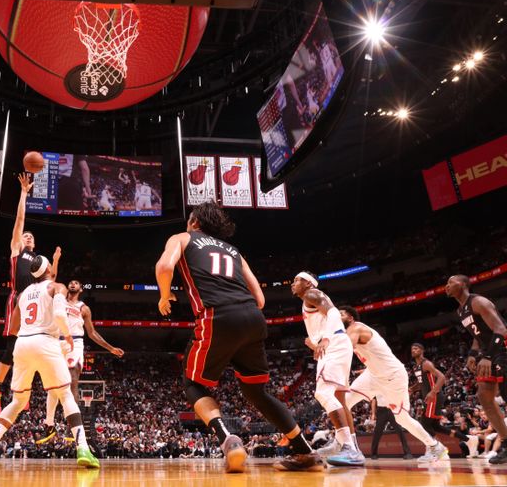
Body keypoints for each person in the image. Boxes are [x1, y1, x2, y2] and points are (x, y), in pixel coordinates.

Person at [155, 201, 321, 473]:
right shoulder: (234, 250)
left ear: (195, 222)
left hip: (218, 315)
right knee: (255, 391)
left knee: (192, 383)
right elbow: (260, 298)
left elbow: (164, 267)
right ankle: (305, 451)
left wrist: (164, 296)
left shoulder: (182, 238)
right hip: (253, 318)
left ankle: (228, 440)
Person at [0, 255, 100, 469]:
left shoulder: (23, 294)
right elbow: (61, 315)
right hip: (47, 342)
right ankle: (83, 449)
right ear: (48, 268)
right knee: (65, 395)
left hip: (22, 345)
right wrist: (67, 335)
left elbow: (13, 329)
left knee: (17, 401)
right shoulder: (56, 287)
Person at [0, 173, 60, 416]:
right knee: (11, 347)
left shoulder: (38, 261)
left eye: (31, 235)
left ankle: (20, 393)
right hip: (18, 298)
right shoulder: (17, 251)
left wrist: (57, 262)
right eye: (25, 235)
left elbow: (51, 281)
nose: (27, 236)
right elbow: (20, 220)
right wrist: (24, 193)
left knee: (30, 348)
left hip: (36, 301)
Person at [339, 306, 447, 462]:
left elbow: (344, 350)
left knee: (402, 419)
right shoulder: (347, 333)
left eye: (341, 314)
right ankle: (345, 446)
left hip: (393, 376)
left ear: (350, 318)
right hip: (373, 374)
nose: (337, 317)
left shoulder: (356, 328)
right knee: (342, 403)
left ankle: (435, 447)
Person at [37, 279, 124, 443]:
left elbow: (92, 333)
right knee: (52, 387)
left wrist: (110, 348)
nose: (73, 284)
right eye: (71, 282)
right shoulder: (59, 300)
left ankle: (72, 426)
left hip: (75, 343)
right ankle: (49, 425)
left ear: (81, 289)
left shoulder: (84, 308)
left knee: (72, 380)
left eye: (76, 283)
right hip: (56, 341)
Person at [291, 271, 363, 466]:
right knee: (339, 397)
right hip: (338, 344)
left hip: (334, 344)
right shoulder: (309, 299)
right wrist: (315, 343)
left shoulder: (312, 294)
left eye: (297, 280)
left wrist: (325, 339)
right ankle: (350, 447)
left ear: (308, 283)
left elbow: (332, 312)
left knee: (323, 393)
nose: (293, 283)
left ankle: (348, 447)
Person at [447, 274, 507, 464]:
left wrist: (488, 356)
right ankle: (505, 441)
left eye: (451, 282)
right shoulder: (461, 311)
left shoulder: (478, 301)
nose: (446, 286)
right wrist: (473, 354)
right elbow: (477, 334)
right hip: (489, 352)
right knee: (484, 396)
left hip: (502, 348)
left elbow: (501, 329)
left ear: (463, 284)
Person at [409, 343, 472, 452]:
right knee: (436, 427)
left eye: (416, 348)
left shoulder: (426, 364)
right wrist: (411, 389)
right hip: (429, 398)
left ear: (422, 350)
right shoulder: (416, 367)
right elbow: (421, 383)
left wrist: (433, 392)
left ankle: (438, 449)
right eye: (412, 349)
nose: (413, 350)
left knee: (424, 424)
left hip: (434, 397)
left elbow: (442, 377)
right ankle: (468, 440)